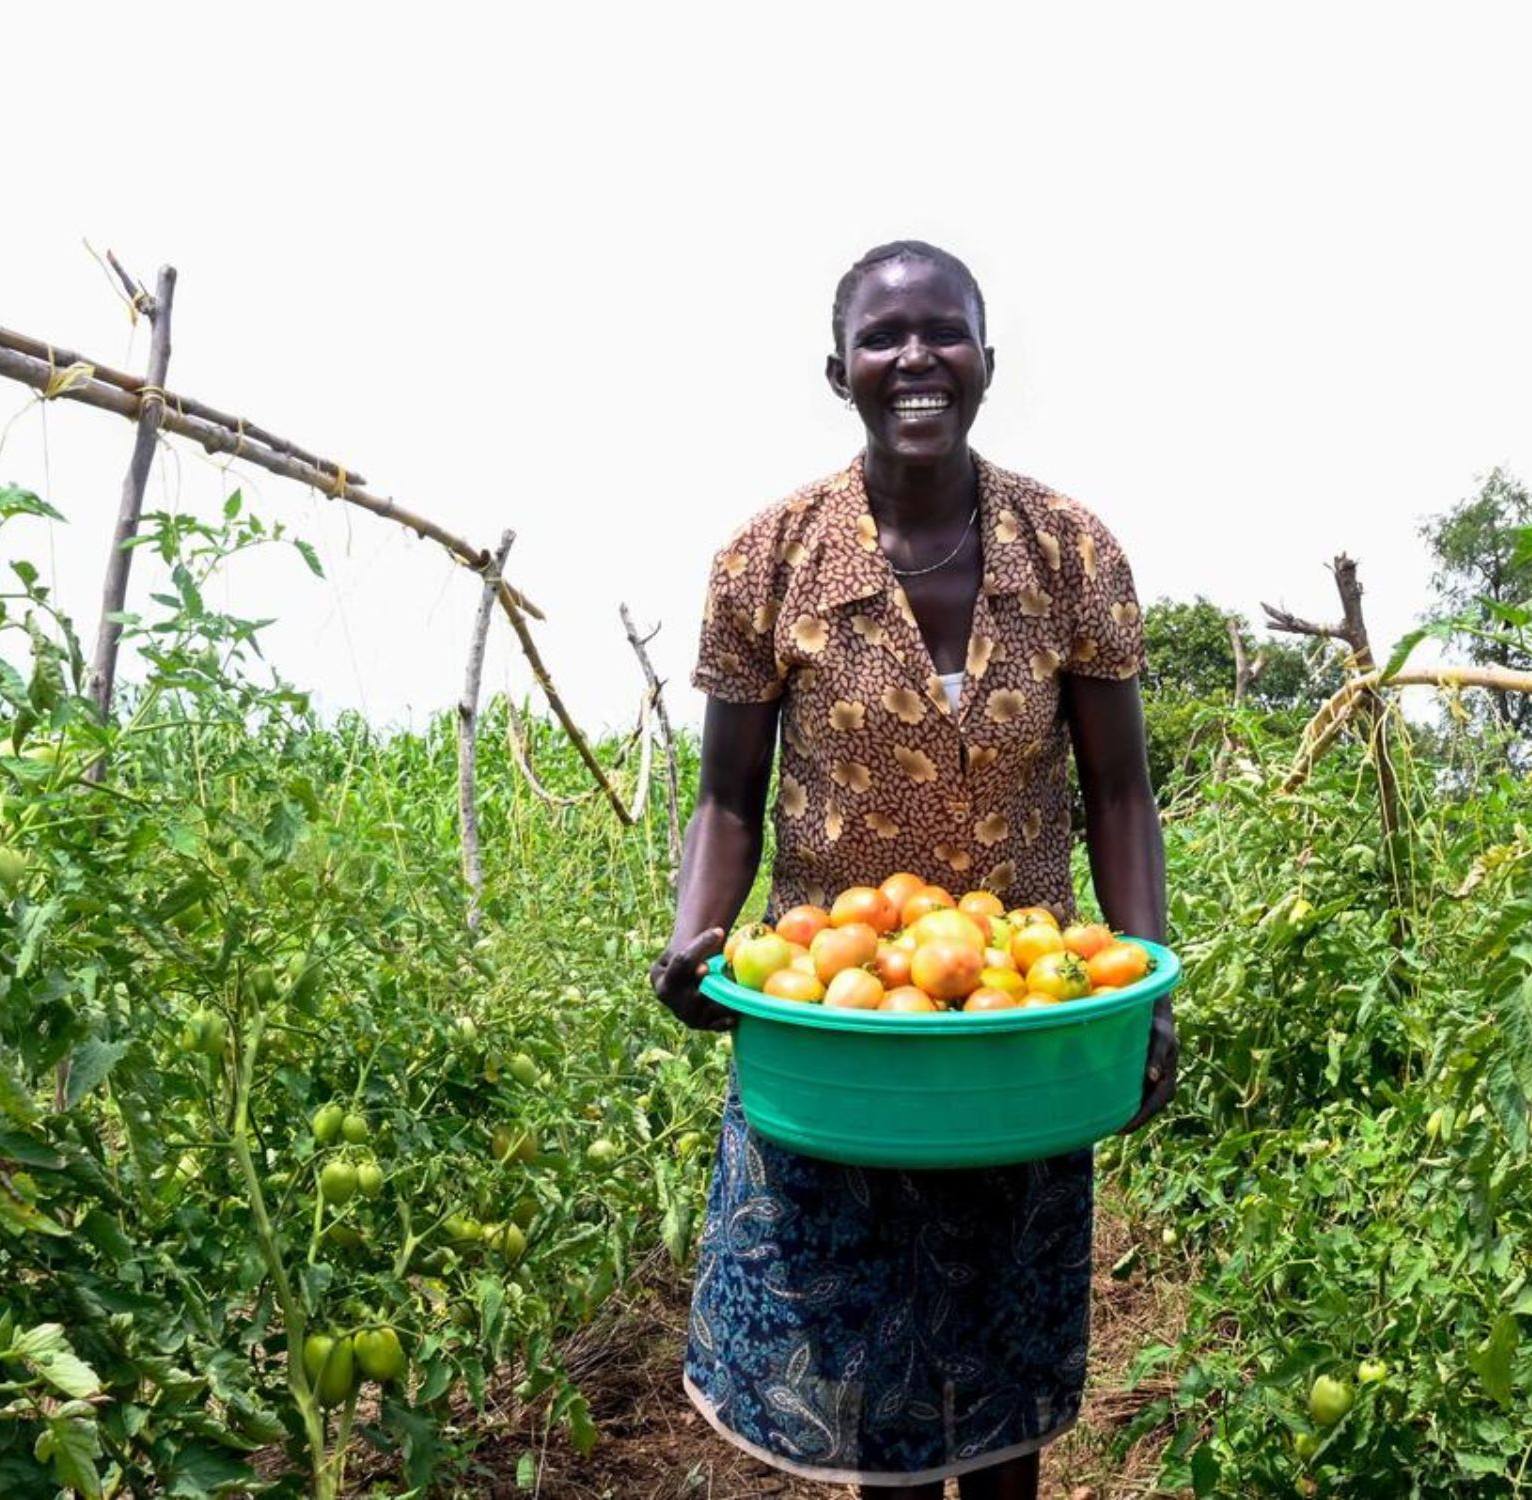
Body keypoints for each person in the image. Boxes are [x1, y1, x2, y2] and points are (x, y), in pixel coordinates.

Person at [649, 240, 1175, 1498]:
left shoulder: (1071, 552)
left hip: (1023, 1022)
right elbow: (730, 795)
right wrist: (695, 934)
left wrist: (1146, 982)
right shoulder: (764, 562)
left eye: (943, 333)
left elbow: (1117, 788)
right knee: (868, 1395)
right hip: (835, 1023)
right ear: (838, 372)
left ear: (987, 362)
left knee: (1003, 1385)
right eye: (883, 338)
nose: (915, 359)